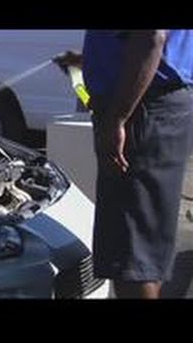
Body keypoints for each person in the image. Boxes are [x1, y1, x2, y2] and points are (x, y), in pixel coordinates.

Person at [54, 30, 193, 299]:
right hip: (154, 105)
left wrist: (117, 118)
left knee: (131, 257)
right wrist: (90, 60)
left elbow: (151, 38)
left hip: (141, 113)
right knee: (144, 248)